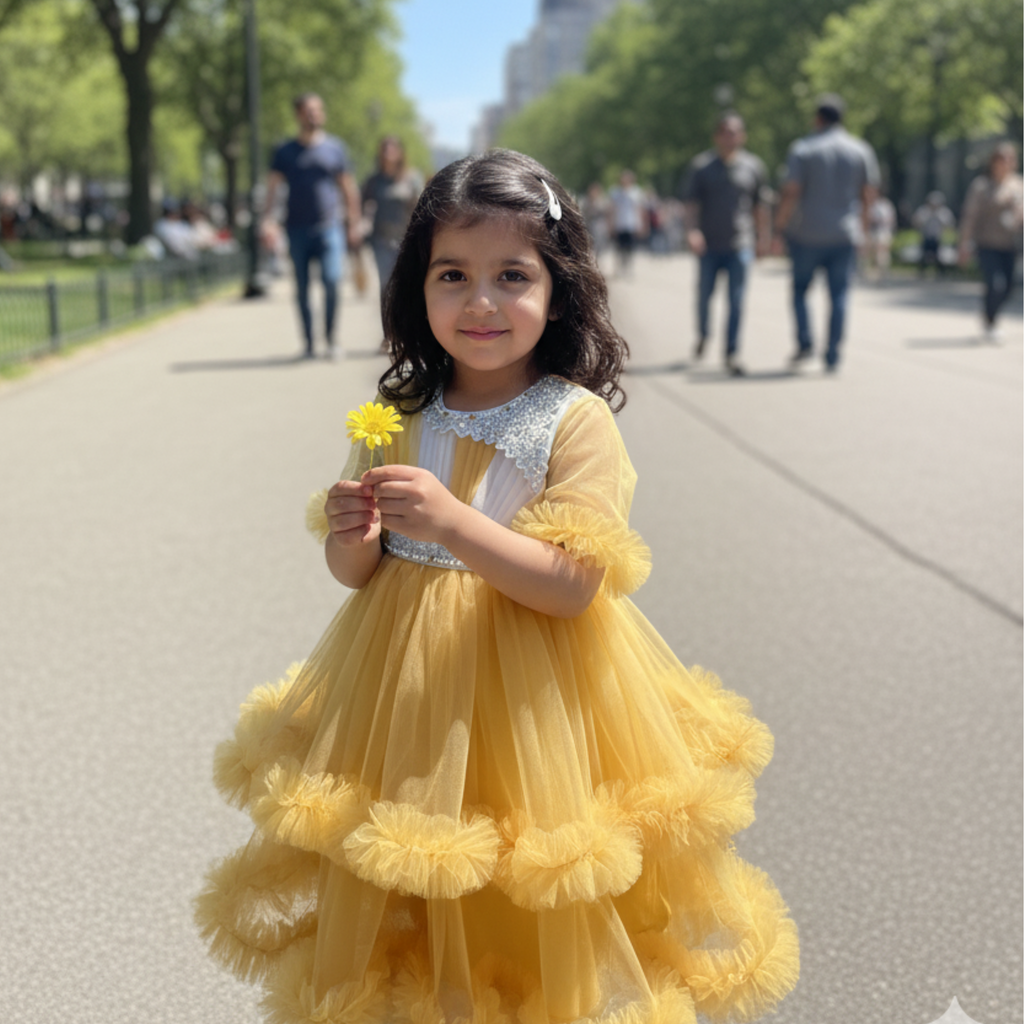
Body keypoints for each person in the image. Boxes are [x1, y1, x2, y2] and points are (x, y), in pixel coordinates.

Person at [195, 149, 799, 1022]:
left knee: (526, 879)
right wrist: (351, 536)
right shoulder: (394, 418)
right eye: (453, 275)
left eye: (511, 276)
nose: (480, 302)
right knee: (421, 876)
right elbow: (358, 577)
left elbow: (572, 585)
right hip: (408, 696)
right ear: (418, 289)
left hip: (535, 699)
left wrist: (450, 523)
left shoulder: (573, 421)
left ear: (557, 291)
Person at [774, 94, 880, 372]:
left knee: (799, 291)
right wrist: (865, 231)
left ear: (817, 118)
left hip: (807, 233)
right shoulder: (860, 150)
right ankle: (832, 353)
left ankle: (805, 342)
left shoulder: (803, 149)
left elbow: (792, 190)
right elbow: (869, 194)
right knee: (840, 295)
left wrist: (780, 225)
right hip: (844, 234)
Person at [263, 93, 362, 359]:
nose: (314, 114)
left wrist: (354, 223)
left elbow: (348, 188)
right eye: (308, 110)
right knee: (302, 288)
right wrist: (268, 220)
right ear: (298, 115)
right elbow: (272, 188)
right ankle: (308, 344)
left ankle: (331, 340)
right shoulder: (285, 151)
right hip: (296, 229)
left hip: (329, 227)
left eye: (318, 110)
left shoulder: (335, 148)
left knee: (331, 280)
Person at [683, 112, 770, 376]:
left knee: (736, 300)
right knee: (704, 297)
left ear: (742, 136)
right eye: (725, 132)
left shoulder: (754, 167)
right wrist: (692, 231)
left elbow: (760, 207)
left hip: (740, 244)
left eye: (735, 132)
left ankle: (731, 352)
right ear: (717, 136)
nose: (730, 137)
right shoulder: (701, 167)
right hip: (709, 245)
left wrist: (763, 238)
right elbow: (690, 205)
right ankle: (703, 334)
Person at [958, 142, 1024, 342]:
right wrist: (964, 244)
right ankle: (991, 321)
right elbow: (970, 216)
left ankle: (990, 313)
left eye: (1010, 159)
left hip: (1010, 245)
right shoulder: (982, 185)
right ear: (993, 162)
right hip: (987, 244)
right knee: (996, 285)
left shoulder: (1018, 185)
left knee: (1009, 288)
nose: (1006, 163)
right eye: (1002, 159)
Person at [361, 136, 424, 294]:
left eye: (392, 149)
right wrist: (360, 224)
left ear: (400, 153)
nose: (388, 153)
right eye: (385, 149)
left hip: (406, 240)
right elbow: (362, 204)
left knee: (406, 285)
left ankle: (403, 318)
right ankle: (387, 318)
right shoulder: (374, 181)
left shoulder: (412, 178)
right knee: (386, 284)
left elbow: (422, 207)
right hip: (381, 240)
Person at [607, 169, 647, 276]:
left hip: (631, 224)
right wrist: (610, 224)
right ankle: (619, 268)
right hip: (619, 224)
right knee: (619, 248)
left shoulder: (636, 192)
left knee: (630, 248)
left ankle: (629, 268)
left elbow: (640, 209)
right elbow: (612, 209)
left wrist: (642, 225)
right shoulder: (615, 192)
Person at [912, 191, 955, 276]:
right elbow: (916, 221)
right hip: (926, 236)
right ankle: (922, 272)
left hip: (937, 238)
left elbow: (950, 223)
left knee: (939, 256)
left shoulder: (943, 212)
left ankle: (941, 272)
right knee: (923, 255)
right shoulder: (924, 211)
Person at [862, 192, 896, 283]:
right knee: (867, 255)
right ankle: (867, 274)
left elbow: (890, 220)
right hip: (871, 232)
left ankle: (883, 274)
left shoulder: (885, 205)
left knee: (882, 255)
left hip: (882, 232)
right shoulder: (869, 204)